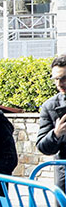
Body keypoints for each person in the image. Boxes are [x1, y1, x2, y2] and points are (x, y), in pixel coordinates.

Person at [37, 54, 66, 192]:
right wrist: (56, 134)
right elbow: (42, 146)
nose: (59, 84)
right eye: (56, 79)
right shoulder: (50, 106)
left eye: (64, 78)